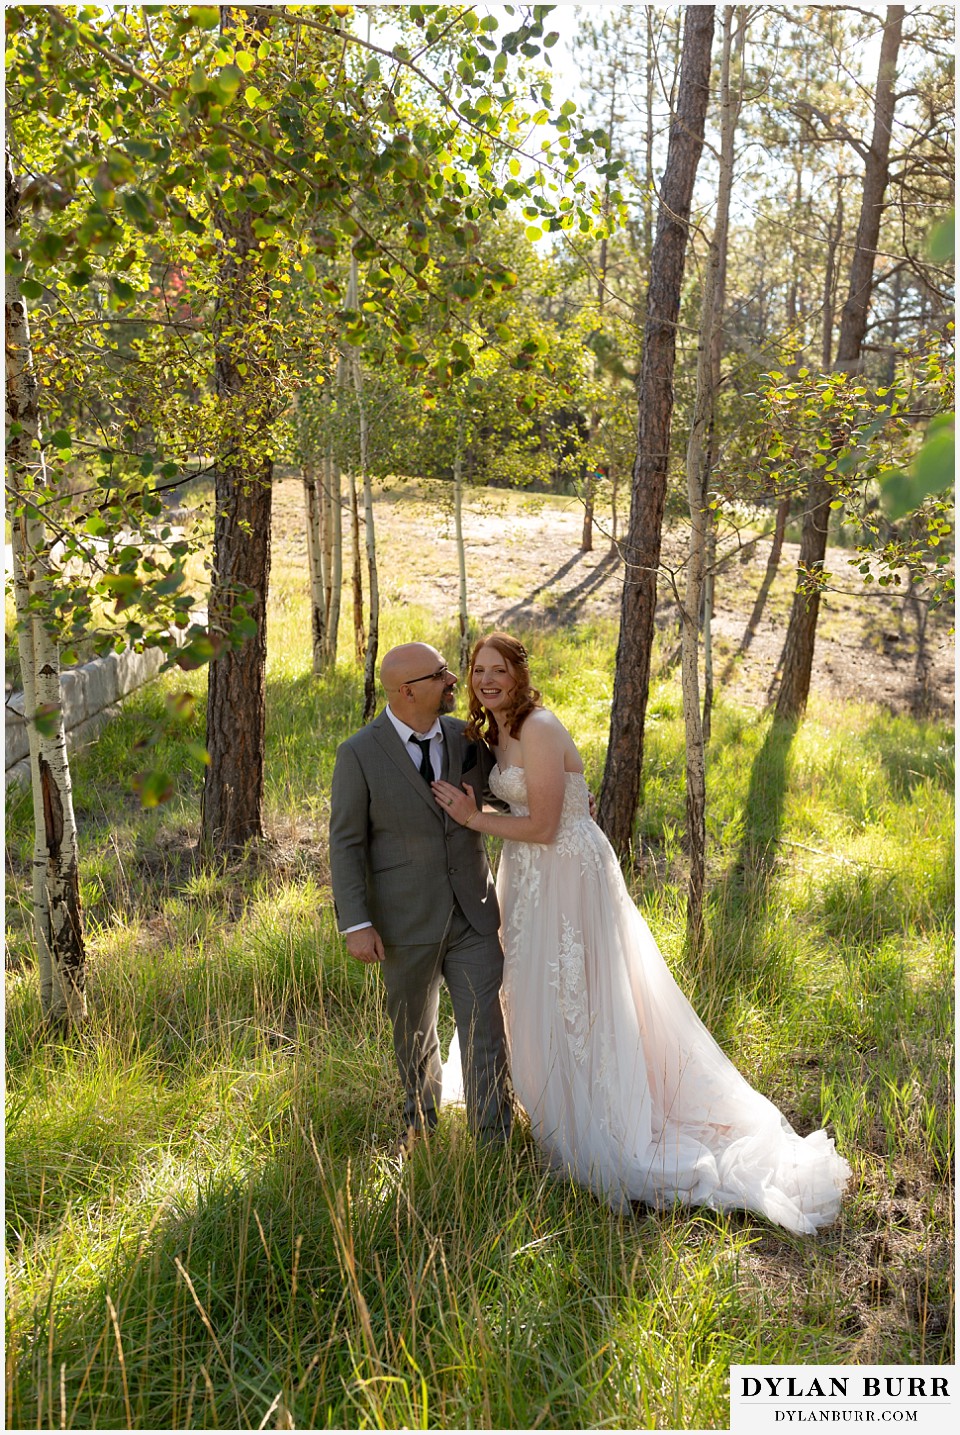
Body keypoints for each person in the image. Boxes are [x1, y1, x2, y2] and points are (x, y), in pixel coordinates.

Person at [432, 632, 851, 1234]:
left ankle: (599, 1115)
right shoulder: (490, 734)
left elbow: (550, 824)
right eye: (478, 670)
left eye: (499, 670)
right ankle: (544, 1099)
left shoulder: (541, 727)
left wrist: (475, 818)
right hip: (527, 875)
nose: (487, 679)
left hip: (566, 873)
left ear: (521, 675)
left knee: (582, 995)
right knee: (530, 987)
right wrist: (488, 814)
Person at [329, 642, 511, 1152]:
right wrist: (356, 923)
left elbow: (499, 793)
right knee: (414, 1033)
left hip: (474, 913)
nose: (454, 681)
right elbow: (345, 843)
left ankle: (492, 1141)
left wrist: (560, 797)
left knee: (486, 1031)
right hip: (402, 921)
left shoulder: (464, 737)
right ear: (408, 690)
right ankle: (422, 1129)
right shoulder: (358, 753)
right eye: (441, 675)